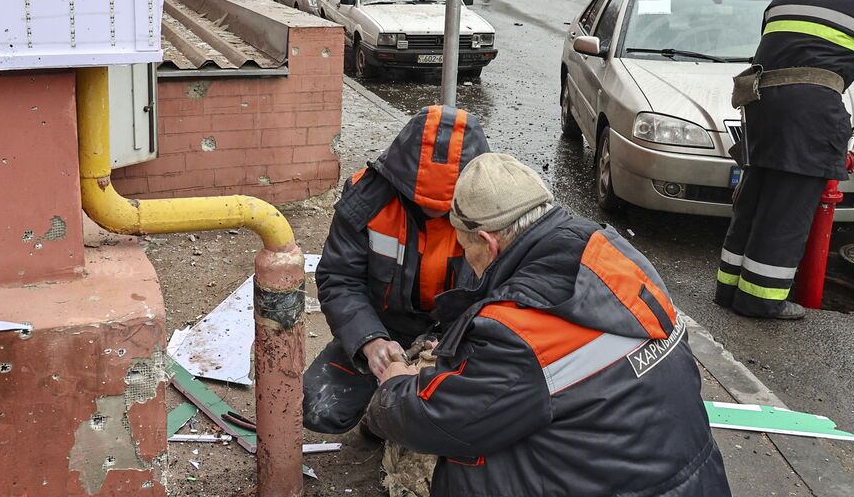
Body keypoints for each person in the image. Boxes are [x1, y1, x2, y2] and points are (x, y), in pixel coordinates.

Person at [366, 153, 731, 496]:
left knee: (469, 465)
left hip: (629, 485)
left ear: (487, 242)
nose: (467, 261)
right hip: (694, 474)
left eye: (465, 248)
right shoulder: (611, 253)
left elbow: (443, 420)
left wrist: (395, 385)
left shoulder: (520, 329)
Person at [715, 0, 854, 320]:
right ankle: (761, 301)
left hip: (759, 108)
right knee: (786, 211)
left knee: (753, 201)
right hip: (810, 117)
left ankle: (728, 289)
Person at [302, 106, 490, 434]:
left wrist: (451, 349)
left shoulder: (497, 209)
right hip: (386, 326)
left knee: (478, 419)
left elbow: (511, 294)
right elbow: (339, 279)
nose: (433, 212)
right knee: (317, 408)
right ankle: (381, 417)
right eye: (422, 201)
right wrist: (370, 342)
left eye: (445, 207)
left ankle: (394, 419)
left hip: (461, 333)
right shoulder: (367, 198)